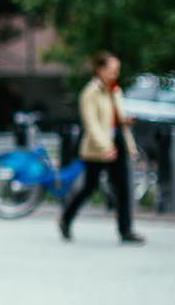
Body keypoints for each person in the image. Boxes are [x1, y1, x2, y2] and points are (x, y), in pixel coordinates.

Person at [59, 52, 144, 244]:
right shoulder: (90, 92)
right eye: (112, 69)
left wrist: (124, 122)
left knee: (123, 188)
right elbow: (91, 124)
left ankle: (126, 230)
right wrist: (105, 146)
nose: (115, 74)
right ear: (100, 69)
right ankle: (66, 219)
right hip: (97, 148)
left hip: (117, 143)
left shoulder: (115, 90)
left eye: (117, 70)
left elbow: (114, 119)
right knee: (89, 187)